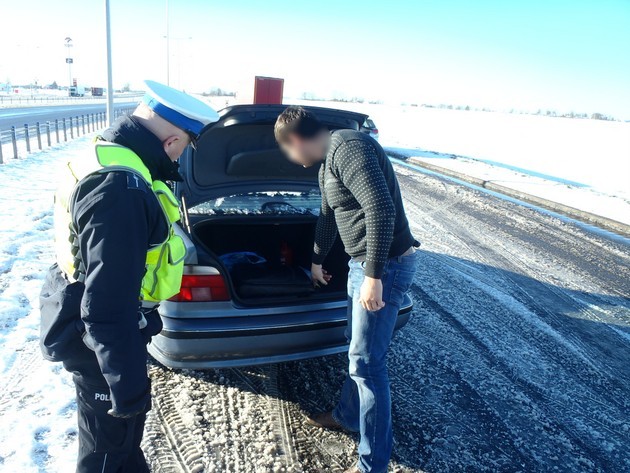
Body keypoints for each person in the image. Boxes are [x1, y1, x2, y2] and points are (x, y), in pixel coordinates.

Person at [39, 80, 218, 472]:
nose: (181, 156)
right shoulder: (121, 189)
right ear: (172, 141)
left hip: (93, 329)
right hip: (99, 344)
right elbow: (105, 307)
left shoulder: (106, 152)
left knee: (121, 451)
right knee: (108, 454)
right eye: (187, 145)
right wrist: (128, 385)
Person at [275, 106, 420, 473]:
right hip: (364, 266)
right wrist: (316, 259)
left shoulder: (348, 146)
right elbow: (328, 216)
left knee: (368, 365)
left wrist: (373, 276)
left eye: (287, 152)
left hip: (385, 267)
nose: (291, 159)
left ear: (294, 140)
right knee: (357, 350)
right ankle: (347, 415)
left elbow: (381, 209)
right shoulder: (328, 165)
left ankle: (374, 464)